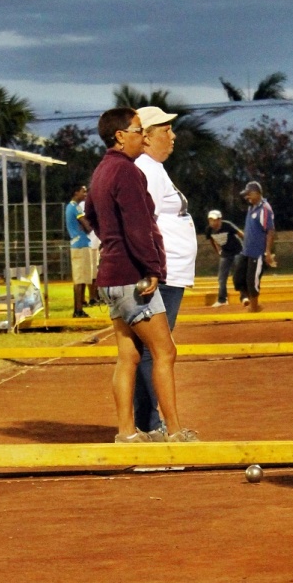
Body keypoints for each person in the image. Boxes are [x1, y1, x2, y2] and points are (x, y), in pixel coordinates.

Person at [85, 106, 197, 444]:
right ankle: (174, 431)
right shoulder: (129, 172)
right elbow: (139, 228)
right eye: (138, 131)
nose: (142, 136)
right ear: (120, 136)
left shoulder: (102, 170)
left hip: (111, 275)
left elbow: (90, 214)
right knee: (165, 352)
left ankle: (126, 433)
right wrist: (151, 269)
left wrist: (113, 244)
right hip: (133, 276)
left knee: (128, 355)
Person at [133, 105, 199, 435]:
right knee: (155, 352)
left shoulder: (155, 169)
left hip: (169, 273)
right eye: (165, 130)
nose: (172, 136)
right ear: (145, 137)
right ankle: (151, 427)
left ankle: (148, 425)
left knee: (150, 351)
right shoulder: (145, 169)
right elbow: (141, 223)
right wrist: (151, 270)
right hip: (163, 274)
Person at [239, 181, 276, 311]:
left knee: (252, 280)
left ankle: (254, 308)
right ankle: (251, 302)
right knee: (238, 278)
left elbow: (270, 231)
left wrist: (268, 252)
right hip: (247, 251)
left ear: (256, 193)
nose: (247, 197)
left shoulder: (265, 208)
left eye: (249, 194)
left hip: (257, 252)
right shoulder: (251, 207)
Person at [65, 184, 96, 317]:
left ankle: (79, 309)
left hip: (79, 243)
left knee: (82, 278)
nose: (85, 194)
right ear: (75, 192)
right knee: (79, 279)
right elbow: (88, 227)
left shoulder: (70, 207)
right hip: (80, 244)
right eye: (83, 192)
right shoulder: (75, 207)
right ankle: (77, 310)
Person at [205, 209, 244, 305]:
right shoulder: (209, 230)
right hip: (225, 253)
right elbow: (212, 240)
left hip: (237, 251)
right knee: (222, 277)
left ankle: (244, 296)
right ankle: (222, 299)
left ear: (220, 220)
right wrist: (218, 251)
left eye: (215, 220)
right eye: (210, 220)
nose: (213, 222)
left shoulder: (227, 225)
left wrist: (247, 247)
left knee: (238, 274)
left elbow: (240, 234)